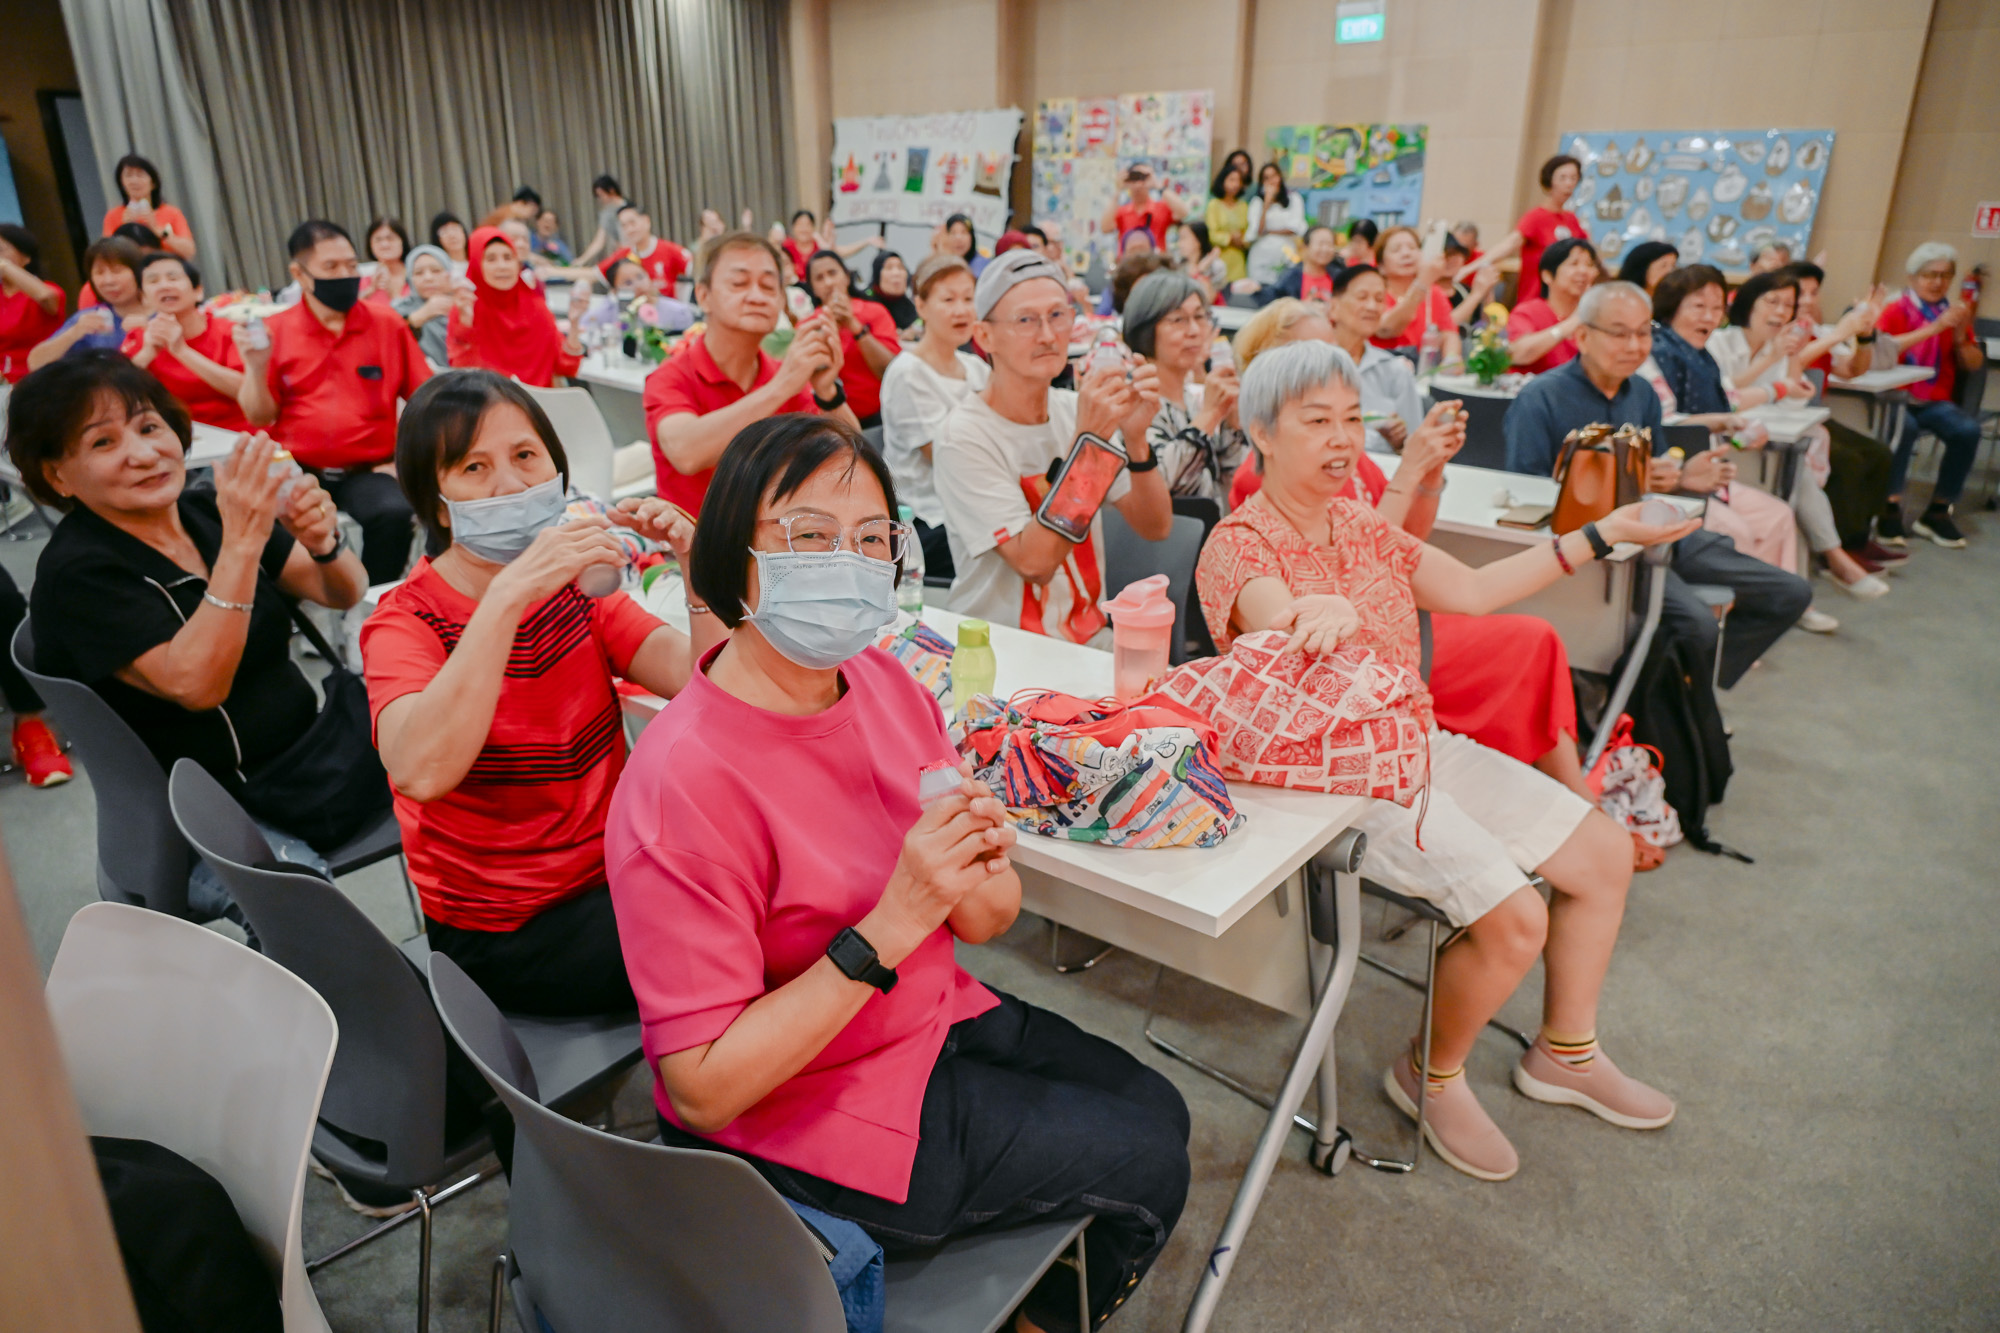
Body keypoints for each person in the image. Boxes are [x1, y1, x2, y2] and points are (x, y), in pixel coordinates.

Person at [607, 413, 1190, 1331]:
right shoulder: (683, 784)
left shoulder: (881, 681)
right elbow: (702, 1088)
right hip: (801, 1115)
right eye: (809, 535)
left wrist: (971, 861)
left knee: (1158, 1106)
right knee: (1150, 1159)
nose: (847, 563)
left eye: (873, 538)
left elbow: (988, 915)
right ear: (732, 554)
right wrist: (893, 919)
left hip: (925, 1015)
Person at [1199, 339, 1697, 1181]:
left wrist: (1603, 533)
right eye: (1316, 421)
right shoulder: (1238, 543)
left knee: (1604, 853)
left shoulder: (1359, 519)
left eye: (1351, 418)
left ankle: (1566, 1052)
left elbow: (1471, 590)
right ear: (1262, 433)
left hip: (1416, 744)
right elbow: (1275, 613)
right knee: (1517, 918)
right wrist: (1310, 615)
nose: (1341, 438)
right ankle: (1428, 1073)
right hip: (1340, 778)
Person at [362, 371, 711, 1014]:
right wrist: (509, 594)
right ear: (439, 505)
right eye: (474, 467)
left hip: (619, 868)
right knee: (745, 928)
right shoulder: (406, 623)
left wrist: (695, 566)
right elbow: (419, 770)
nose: (512, 485)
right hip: (509, 928)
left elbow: (702, 675)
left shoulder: (574, 587)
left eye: (526, 456)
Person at [11, 351, 373, 923]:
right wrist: (243, 544)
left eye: (149, 427)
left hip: (313, 763)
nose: (142, 453)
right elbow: (199, 684)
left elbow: (343, 591)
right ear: (57, 475)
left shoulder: (206, 510)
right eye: (103, 443)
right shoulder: (78, 574)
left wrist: (323, 540)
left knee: (474, 788)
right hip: (203, 817)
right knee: (311, 918)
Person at [1504, 281, 1812, 689]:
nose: (1634, 346)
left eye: (1642, 332)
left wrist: (1683, 478)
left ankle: (1681, 689)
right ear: (1582, 336)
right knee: (1698, 626)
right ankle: (1668, 692)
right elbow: (1525, 493)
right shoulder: (1540, 398)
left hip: (1655, 536)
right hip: (1595, 549)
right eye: (1619, 333)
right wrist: (1622, 480)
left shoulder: (1642, 393)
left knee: (1789, 593)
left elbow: (1659, 472)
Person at [934, 249, 1172, 645]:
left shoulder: (1075, 410)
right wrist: (1088, 446)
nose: (1047, 335)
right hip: (1004, 647)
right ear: (984, 336)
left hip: (1088, 640)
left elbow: (1156, 525)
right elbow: (1035, 564)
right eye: (1026, 320)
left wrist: (1135, 439)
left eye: (1058, 315)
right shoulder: (963, 436)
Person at [235, 220, 434, 586]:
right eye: (331, 267)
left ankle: (369, 600)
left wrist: (407, 460)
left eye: (351, 265)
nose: (345, 275)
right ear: (300, 274)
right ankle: (305, 601)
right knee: (257, 521)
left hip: (368, 470)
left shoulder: (386, 324)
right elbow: (259, 415)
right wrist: (256, 368)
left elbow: (426, 400)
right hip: (298, 467)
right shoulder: (276, 330)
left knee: (393, 513)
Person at [1702, 269, 1888, 611]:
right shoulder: (1719, 342)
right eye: (1771, 302)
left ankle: (1810, 580)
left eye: (1788, 305)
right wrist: (1773, 362)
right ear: (1748, 304)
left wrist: (1790, 364)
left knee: (1800, 478)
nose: (1780, 312)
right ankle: (1831, 560)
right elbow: (1722, 396)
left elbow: (1791, 402)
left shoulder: (1780, 345)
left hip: (1763, 441)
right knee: (1798, 476)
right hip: (1723, 443)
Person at [643, 231, 858, 514]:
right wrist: (782, 386)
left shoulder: (781, 376)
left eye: (768, 286)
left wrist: (827, 392)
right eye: (739, 283)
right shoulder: (671, 377)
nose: (757, 297)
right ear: (704, 296)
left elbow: (852, 457)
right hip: (692, 537)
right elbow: (686, 453)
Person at [1783, 264, 1903, 568]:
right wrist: (1839, 333)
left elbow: (1852, 369)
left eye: (1814, 293)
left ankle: (1859, 538)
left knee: (1879, 453)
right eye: (1800, 292)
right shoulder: (1777, 328)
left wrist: (1864, 335)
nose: (1807, 300)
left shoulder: (1813, 330)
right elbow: (1788, 367)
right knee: (1848, 461)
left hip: (1814, 417)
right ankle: (1839, 550)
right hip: (1786, 419)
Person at [879, 254, 985, 582]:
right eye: (948, 300)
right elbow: (948, 459)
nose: (961, 310)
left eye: (968, 299)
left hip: (974, 508)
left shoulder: (975, 368)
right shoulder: (908, 373)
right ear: (921, 306)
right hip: (928, 522)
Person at [1872, 242, 1986, 548]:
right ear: (1912, 278)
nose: (1937, 282)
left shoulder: (1954, 314)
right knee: (1904, 428)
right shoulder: (1895, 309)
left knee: (1967, 430)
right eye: (1929, 275)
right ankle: (1889, 506)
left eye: (1945, 275)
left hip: (1935, 399)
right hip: (1895, 396)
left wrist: (1960, 338)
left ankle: (1938, 511)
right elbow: (1880, 353)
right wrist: (1935, 328)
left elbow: (1974, 364)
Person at [1121, 270, 1246, 503]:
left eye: (1200, 317)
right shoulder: (1134, 404)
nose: (1194, 331)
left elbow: (1231, 486)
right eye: (1178, 320)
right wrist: (1210, 415)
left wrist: (1232, 425)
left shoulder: (1194, 398)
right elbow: (1161, 486)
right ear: (1146, 328)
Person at [122, 253, 250, 432]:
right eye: (153, 281)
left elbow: (247, 391)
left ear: (198, 291)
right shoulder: (139, 338)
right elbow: (117, 393)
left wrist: (181, 350)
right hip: (173, 434)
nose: (164, 286)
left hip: (237, 432)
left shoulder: (229, 331)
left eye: (173, 278)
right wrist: (147, 354)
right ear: (143, 298)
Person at [447, 226, 589, 387]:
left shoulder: (535, 306)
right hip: (490, 399)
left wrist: (574, 324)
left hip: (538, 400)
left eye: (508, 258)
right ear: (476, 264)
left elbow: (566, 367)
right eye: (491, 259)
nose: (502, 266)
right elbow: (465, 380)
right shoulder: (466, 309)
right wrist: (466, 324)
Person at [1320, 265, 1435, 456]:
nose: (1372, 307)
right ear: (1333, 307)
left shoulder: (1395, 370)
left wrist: (1399, 443)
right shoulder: (1313, 366)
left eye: (1379, 299)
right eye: (1362, 297)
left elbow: (1416, 446)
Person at [1463, 154, 1585, 303]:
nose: (1569, 184)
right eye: (1563, 178)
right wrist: (1468, 269)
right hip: (1535, 298)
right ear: (1550, 180)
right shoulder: (1536, 217)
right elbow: (1509, 244)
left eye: (1573, 178)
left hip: (1564, 300)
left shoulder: (1572, 219)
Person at [802, 250, 900, 429]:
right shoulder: (808, 325)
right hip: (832, 421)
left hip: (882, 417)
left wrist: (854, 326)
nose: (828, 282)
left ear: (847, 277)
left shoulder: (875, 312)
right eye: (819, 278)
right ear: (813, 288)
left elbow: (891, 370)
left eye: (832, 273)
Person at [27, 237, 145, 371]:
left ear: (139, 273)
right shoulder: (90, 318)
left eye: (117, 271)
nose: (108, 281)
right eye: (99, 273)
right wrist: (74, 332)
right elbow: (35, 363)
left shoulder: (161, 312)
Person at [1507, 236, 1599, 373]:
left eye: (1589, 265)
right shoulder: (1528, 312)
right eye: (1574, 264)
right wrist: (1574, 321)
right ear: (1547, 276)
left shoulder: (1598, 316)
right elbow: (1518, 355)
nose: (1583, 271)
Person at [1372, 225, 1459, 360]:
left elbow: (1450, 334)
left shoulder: (1434, 293)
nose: (1406, 254)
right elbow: (1386, 329)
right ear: (1381, 266)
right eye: (1396, 250)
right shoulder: (1375, 293)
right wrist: (1422, 282)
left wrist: (1451, 359)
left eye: (1412, 248)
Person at [0, 225, 66, 383]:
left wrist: (5, 266)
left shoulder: (47, 289)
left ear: (26, 258)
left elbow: (45, 296)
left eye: (1, 250)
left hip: (43, 379)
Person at [100, 154, 196, 260]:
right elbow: (106, 254)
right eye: (128, 175)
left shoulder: (171, 212)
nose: (134, 181)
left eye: (140, 175)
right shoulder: (113, 215)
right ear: (122, 184)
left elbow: (189, 252)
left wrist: (158, 230)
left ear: (153, 183)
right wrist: (124, 229)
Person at [599, 204, 692, 295]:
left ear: (646, 221)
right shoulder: (621, 255)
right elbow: (596, 273)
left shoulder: (670, 250)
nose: (629, 230)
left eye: (632, 223)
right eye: (624, 226)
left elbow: (696, 270)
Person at [392, 244, 455, 366]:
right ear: (410, 278)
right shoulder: (398, 310)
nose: (428, 278)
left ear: (449, 274)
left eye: (436, 271)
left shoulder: (466, 303)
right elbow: (389, 345)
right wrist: (416, 318)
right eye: (419, 273)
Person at [1244, 162, 1306, 287]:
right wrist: (1266, 205)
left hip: (1285, 253)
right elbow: (1258, 231)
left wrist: (1270, 232)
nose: (1271, 181)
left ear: (1280, 177)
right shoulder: (1257, 202)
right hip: (1261, 255)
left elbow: (1294, 228)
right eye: (1266, 178)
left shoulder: (1294, 198)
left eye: (1273, 176)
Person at [1101, 165, 1185, 252]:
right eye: (1134, 177)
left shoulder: (1161, 208)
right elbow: (1105, 228)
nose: (1139, 183)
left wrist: (1157, 185)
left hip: (1156, 259)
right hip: (1129, 260)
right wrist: (1118, 190)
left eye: (1143, 177)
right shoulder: (1122, 211)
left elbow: (1183, 213)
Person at [1259, 223, 1340, 307]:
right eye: (1320, 244)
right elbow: (1273, 298)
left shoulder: (1340, 277)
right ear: (1305, 247)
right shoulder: (1291, 277)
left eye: (1330, 244)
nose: (1325, 249)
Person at [1204, 163, 1251, 283]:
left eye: (1238, 181)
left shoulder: (1243, 206)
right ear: (1222, 181)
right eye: (1231, 180)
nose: (1235, 184)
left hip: (1238, 258)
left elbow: (1248, 232)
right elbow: (1212, 234)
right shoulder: (1214, 205)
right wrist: (1230, 238)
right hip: (1219, 257)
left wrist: (1242, 241)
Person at [576, 175, 629, 268]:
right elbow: (599, 241)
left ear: (611, 190)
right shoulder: (606, 214)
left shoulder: (630, 208)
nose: (600, 199)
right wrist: (582, 260)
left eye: (601, 195)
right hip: (621, 255)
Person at [1171, 219, 1227, 301]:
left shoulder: (1215, 266)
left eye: (1183, 238)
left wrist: (1201, 271)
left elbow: (1208, 299)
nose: (1179, 244)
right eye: (1179, 238)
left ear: (1198, 240)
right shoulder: (1178, 265)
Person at [866, 250, 919, 336]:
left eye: (901, 268)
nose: (896, 273)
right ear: (877, 274)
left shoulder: (912, 306)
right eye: (889, 268)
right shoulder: (866, 303)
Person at [362, 217, 412, 305]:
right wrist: (370, 290)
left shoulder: (417, 276)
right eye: (378, 240)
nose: (385, 245)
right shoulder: (364, 281)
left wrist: (394, 294)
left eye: (390, 238)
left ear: (403, 242)